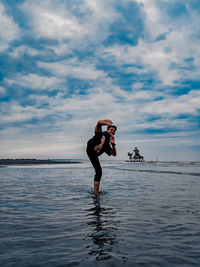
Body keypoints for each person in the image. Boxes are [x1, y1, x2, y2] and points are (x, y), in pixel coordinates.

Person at [86, 119, 117, 195]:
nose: (112, 132)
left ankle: (96, 193)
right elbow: (103, 137)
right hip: (91, 146)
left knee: (99, 172)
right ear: (107, 129)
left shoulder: (107, 145)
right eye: (111, 130)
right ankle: (101, 123)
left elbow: (114, 154)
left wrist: (113, 145)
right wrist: (100, 145)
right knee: (99, 136)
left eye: (114, 132)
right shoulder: (105, 134)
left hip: (93, 154)